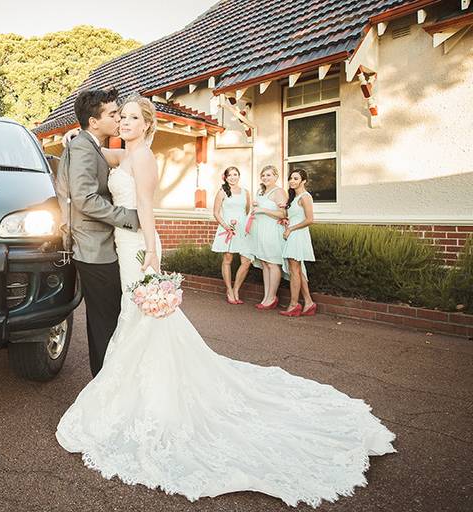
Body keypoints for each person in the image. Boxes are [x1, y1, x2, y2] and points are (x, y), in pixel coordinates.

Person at [55, 96, 395, 508]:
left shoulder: (142, 158)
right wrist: (74, 138)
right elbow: (93, 150)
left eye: (131, 117)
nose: (123, 122)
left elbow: (144, 206)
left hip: (138, 246)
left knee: (145, 318)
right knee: (137, 319)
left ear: (146, 124)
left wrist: (152, 252)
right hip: (122, 244)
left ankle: (148, 398)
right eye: (120, 116)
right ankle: (134, 392)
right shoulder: (123, 153)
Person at [54, 87, 140, 377]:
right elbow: (85, 199)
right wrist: (128, 217)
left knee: (105, 319)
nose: (118, 119)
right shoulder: (83, 147)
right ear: (94, 121)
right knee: (105, 321)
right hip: (93, 246)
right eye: (113, 114)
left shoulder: (87, 145)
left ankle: (106, 379)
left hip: (100, 243)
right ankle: (104, 383)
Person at [210, 167, 253, 304]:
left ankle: (236, 289)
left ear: (239, 176)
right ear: (226, 177)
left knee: (246, 261)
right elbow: (216, 213)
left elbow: (247, 211)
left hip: (242, 229)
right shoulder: (222, 192)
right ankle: (229, 290)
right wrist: (226, 226)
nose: (233, 177)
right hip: (228, 228)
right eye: (230, 175)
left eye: (235, 174)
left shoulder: (245, 192)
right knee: (228, 259)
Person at [247, 165, 287, 310]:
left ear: (275, 176)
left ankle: (272, 297)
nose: (265, 178)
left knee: (272, 263)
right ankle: (266, 297)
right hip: (260, 231)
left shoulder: (279, 192)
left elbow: (283, 214)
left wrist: (263, 209)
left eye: (268, 175)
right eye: (263, 175)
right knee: (264, 263)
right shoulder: (260, 192)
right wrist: (255, 207)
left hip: (272, 231)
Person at [281, 169, 317, 316]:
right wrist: (286, 221)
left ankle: (294, 304)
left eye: (296, 178)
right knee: (298, 270)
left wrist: (291, 228)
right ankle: (309, 303)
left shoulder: (305, 197)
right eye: (290, 178)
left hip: (298, 235)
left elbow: (310, 220)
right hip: (292, 234)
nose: (292, 181)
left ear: (304, 181)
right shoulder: (294, 198)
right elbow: (296, 216)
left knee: (294, 271)